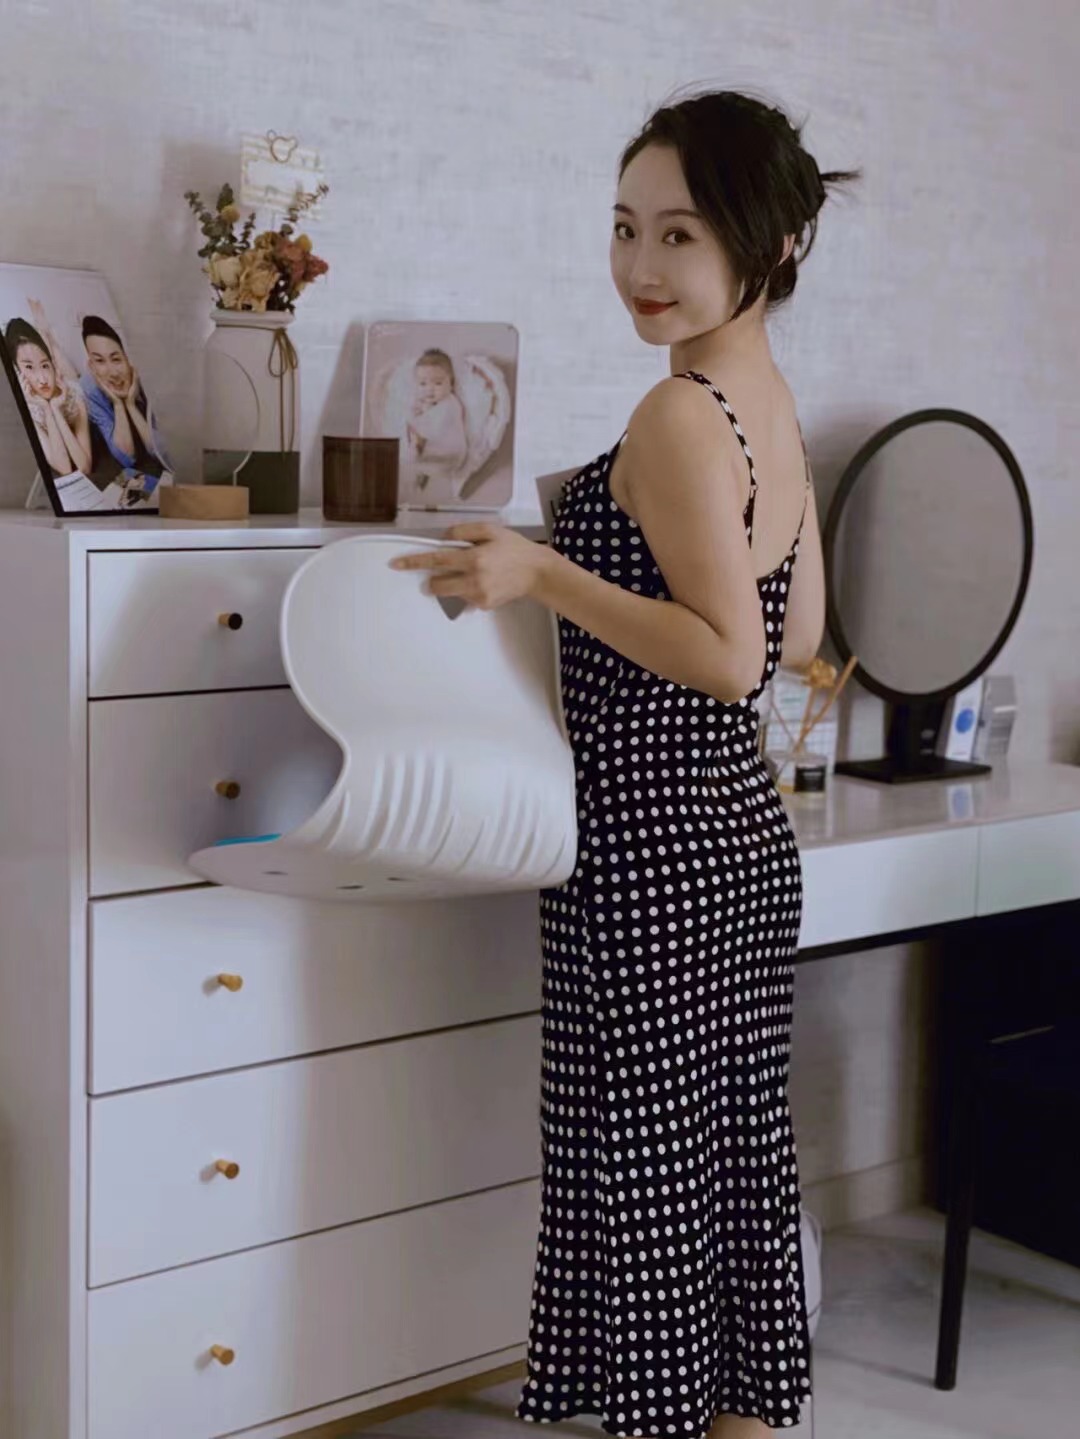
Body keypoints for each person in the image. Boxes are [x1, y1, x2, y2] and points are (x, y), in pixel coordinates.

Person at [390, 88, 859, 1438]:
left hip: (653, 843)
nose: (640, 266)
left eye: (680, 234)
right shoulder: (771, 407)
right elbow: (804, 633)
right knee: (730, 1167)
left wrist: (542, 572)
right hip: (740, 840)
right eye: (623, 227)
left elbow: (733, 657)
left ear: (771, 247)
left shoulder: (678, 416)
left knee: (649, 1180)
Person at [79, 315, 171, 495]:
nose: (113, 373)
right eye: (99, 361)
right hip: (120, 465)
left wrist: (130, 403)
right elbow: (127, 457)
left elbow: (163, 453)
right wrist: (118, 404)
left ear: (128, 358)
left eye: (116, 359)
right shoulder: (89, 387)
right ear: (91, 366)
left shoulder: (149, 378)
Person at [4, 315, 93, 478]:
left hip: (68, 388)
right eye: (29, 367)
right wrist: (46, 408)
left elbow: (85, 467)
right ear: (18, 372)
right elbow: (64, 468)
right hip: (39, 402)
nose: (42, 379)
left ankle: (48, 336)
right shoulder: (28, 410)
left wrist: (55, 409)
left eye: (45, 365)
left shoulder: (74, 398)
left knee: (77, 380)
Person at [403, 348, 469, 499]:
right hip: (437, 456)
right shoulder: (430, 402)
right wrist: (420, 412)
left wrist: (422, 416)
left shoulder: (451, 404)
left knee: (416, 438)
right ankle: (421, 465)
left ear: (451, 384)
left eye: (438, 383)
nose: (430, 389)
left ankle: (418, 449)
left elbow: (439, 426)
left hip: (451, 452)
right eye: (423, 384)